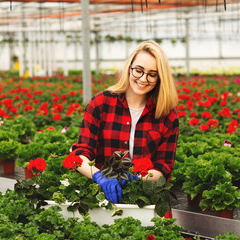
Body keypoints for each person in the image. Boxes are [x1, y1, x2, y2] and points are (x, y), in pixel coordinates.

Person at [67, 40, 179, 204]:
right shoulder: (101, 103)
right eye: (138, 70)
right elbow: (80, 155)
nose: (143, 79)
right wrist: (99, 176)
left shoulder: (166, 114)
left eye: (152, 74)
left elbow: (164, 168)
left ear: (160, 78)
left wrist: (134, 178)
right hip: (101, 198)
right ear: (129, 68)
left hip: (145, 201)